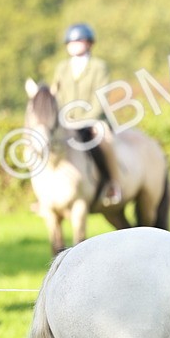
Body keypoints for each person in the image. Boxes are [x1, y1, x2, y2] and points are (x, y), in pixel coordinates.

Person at [50, 23, 123, 206]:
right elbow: (56, 94)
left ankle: (113, 184)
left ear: (89, 43)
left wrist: (85, 119)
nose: (74, 44)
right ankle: (47, 192)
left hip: (93, 120)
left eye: (78, 41)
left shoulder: (99, 67)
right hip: (66, 122)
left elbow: (101, 97)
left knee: (105, 140)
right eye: (71, 42)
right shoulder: (62, 68)